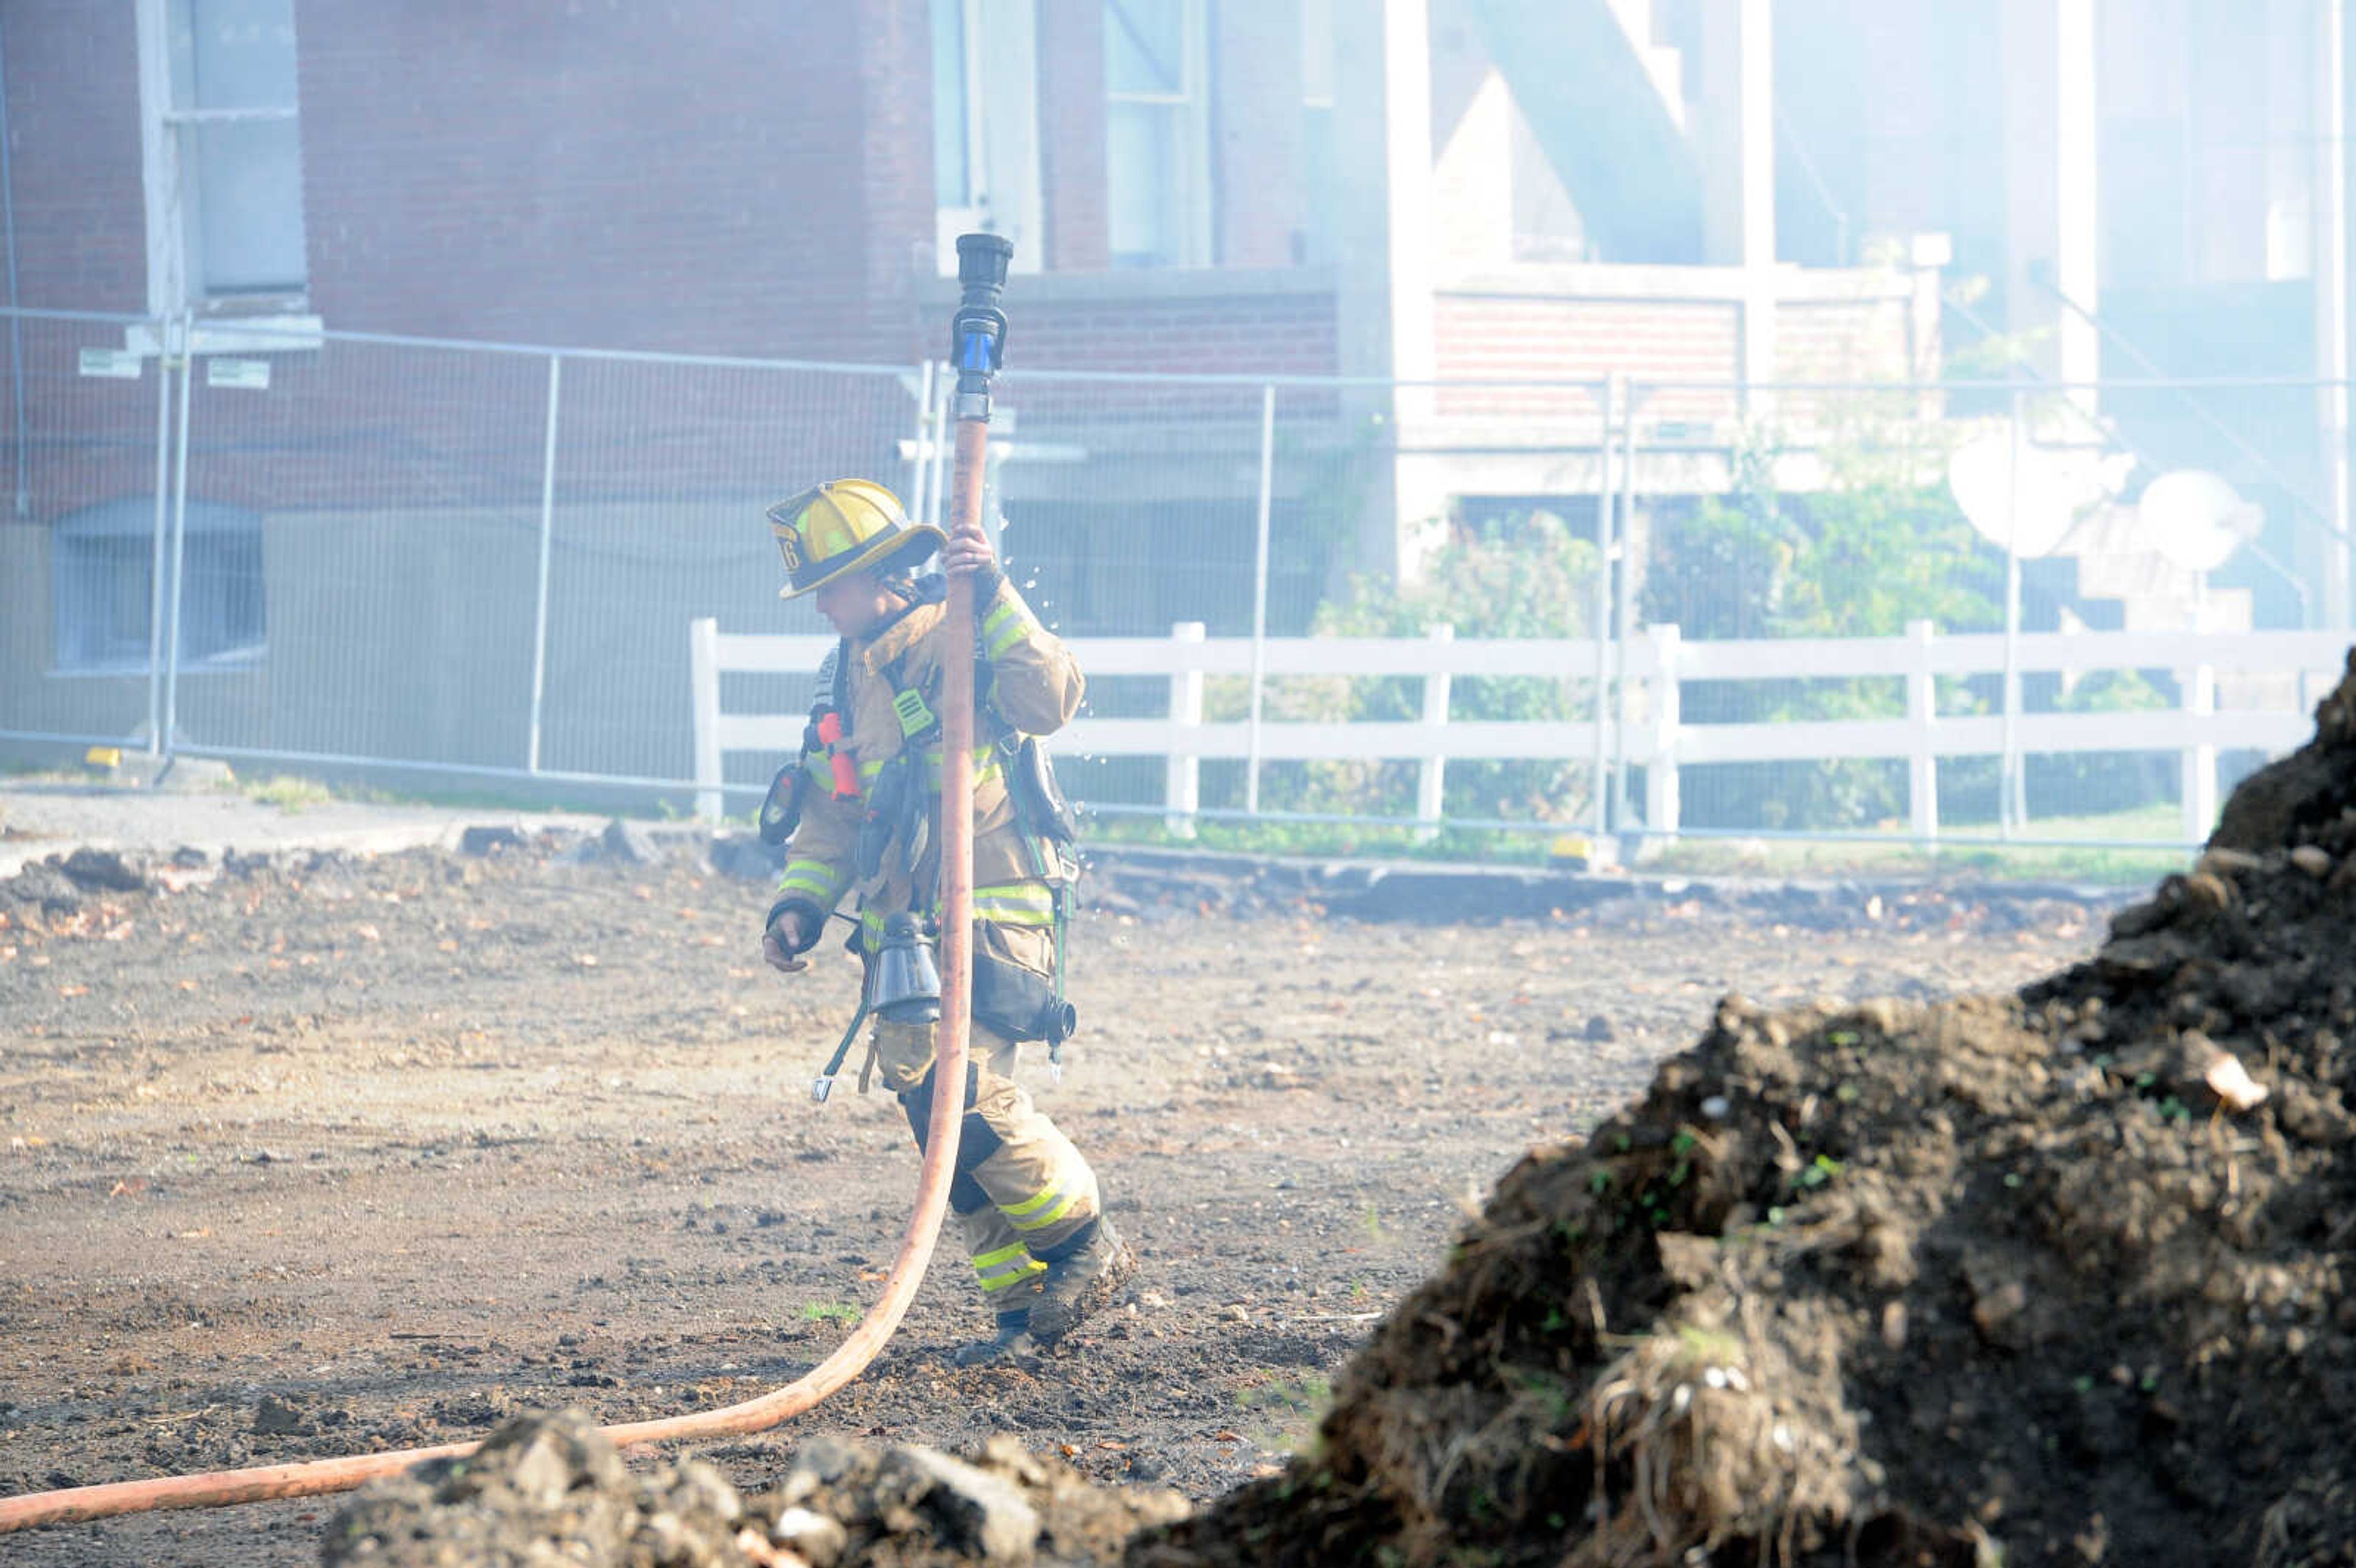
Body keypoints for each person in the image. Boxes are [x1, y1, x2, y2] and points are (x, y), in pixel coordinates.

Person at [757, 477, 1131, 1366]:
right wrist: (802, 904)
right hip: (902, 928)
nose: (821, 608)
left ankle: (1085, 1243)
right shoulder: (842, 676)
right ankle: (1020, 1308)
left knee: (968, 1093)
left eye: (830, 587)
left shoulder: (962, 633)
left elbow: (1053, 699)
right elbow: (833, 812)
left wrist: (996, 594)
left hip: (992, 905)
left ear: (881, 572)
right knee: (933, 1110)